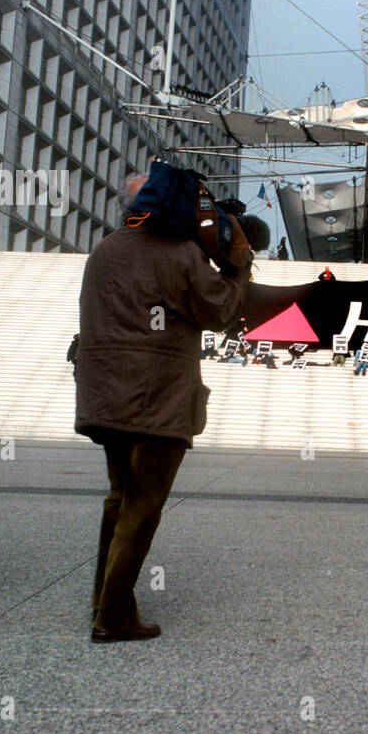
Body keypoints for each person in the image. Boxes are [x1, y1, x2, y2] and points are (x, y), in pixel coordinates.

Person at [76, 171, 252, 643]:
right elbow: (218, 311)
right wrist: (237, 270)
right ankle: (113, 617)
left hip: (106, 392)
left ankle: (103, 598)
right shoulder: (180, 253)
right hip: (156, 397)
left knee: (119, 497)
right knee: (143, 505)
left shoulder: (107, 247)